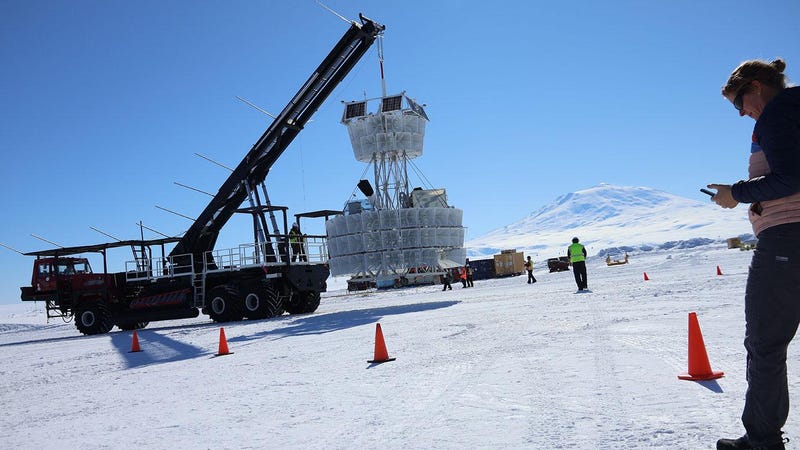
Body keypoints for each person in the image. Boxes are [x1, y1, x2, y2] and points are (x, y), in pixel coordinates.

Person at [709, 59, 800, 450]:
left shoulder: (780, 112)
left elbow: (791, 177)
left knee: (765, 343)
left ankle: (762, 441)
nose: (743, 113)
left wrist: (738, 193)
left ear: (758, 86)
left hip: (786, 242)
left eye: (739, 104)